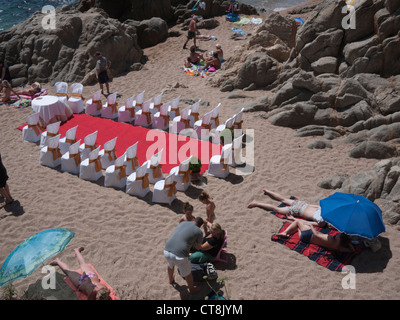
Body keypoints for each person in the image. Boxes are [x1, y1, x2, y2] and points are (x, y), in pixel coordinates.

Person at [164, 217, 204, 294]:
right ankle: (192, 289)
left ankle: (171, 280)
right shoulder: (199, 232)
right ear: (200, 226)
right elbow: (198, 247)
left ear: (193, 220)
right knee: (188, 273)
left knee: (170, 264)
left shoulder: (183, 223)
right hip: (180, 255)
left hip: (167, 250)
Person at [247, 188, 326, 227]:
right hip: (299, 210)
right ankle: (256, 203)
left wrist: (306, 205)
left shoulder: (325, 210)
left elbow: (314, 205)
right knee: (277, 209)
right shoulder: (322, 222)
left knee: (284, 199)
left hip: (303, 204)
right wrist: (294, 219)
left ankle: (267, 191)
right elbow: (306, 223)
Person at [276, 219, 356, 253]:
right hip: (304, 239)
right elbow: (352, 250)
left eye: (339, 235)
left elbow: (316, 234)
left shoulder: (331, 239)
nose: (337, 234)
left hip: (308, 234)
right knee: (298, 227)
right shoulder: (338, 247)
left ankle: (285, 232)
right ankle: (288, 234)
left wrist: (311, 226)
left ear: (340, 239)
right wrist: (348, 242)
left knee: (298, 222)